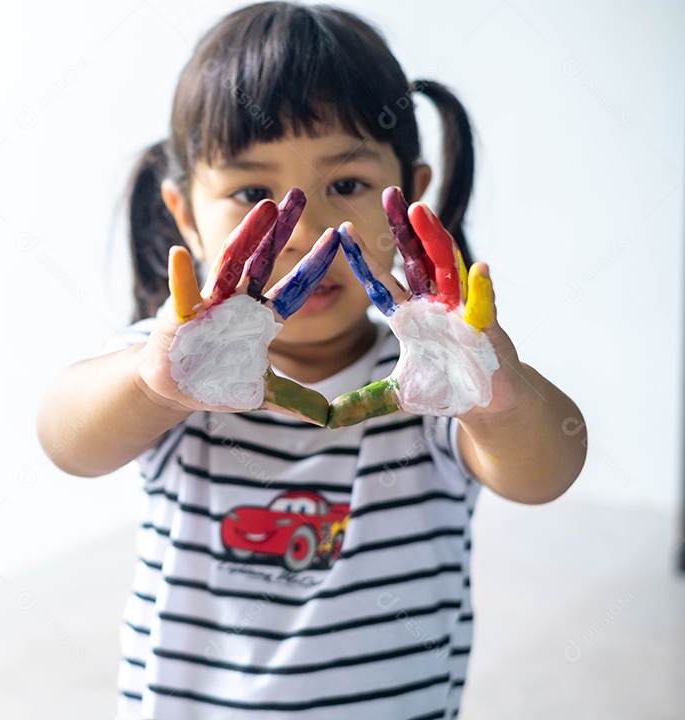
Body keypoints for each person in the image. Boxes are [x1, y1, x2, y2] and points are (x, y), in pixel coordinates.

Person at [37, 3, 587, 718]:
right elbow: (64, 438)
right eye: (253, 194)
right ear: (184, 213)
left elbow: (547, 472)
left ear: (414, 199)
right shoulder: (170, 365)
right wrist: (153, 385)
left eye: (348, 186)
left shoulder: (437, 380)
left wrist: (499, 398)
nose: (309, 230)